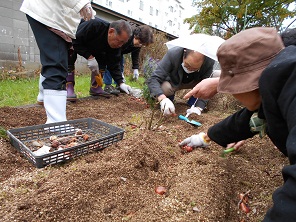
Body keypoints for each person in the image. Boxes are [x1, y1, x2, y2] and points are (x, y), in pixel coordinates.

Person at [180, 27, 296, 220]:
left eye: (232, 86)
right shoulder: (279, 84)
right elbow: (249, 120)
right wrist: (205, 137)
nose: (232, 93)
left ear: (250, 82)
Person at [20, 0, 95, 123]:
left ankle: (43, 96)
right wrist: (81, 2)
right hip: (48, 12)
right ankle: (56, 123)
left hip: (53, 14)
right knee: (57, 62)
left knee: (53, 59)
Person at [71, 17, 133, 98]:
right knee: (70, 54)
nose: (120, 45)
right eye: (120, 41)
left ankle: (96, 87)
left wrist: (121, 83)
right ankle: (68, 86)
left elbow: (114, 64)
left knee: (102, 59)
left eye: (123, 43)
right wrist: (89, 57)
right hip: (75, 37)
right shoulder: (95, 25)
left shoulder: (116, 46)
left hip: (96, 48)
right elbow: (74, 41)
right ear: (111, 32)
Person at [146, 46, 215, 115]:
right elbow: (154, 78)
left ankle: (193, 102)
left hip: (195, 82)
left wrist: (199, 107)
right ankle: (169, 100)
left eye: (195, 68)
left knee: (215, 80)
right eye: (187, 65)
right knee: (164, 88)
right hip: (173, 81)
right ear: (184, 54)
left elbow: (207, 87)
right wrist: (162, 99)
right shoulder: (173, 54)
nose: (190, 69)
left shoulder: (209, 61)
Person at [103, 25, 154, 95]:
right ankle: (108, 85)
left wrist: (135, 68)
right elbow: (115, 54)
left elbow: (135, 54)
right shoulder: (127, 36)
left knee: (121, 66)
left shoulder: (138, 44)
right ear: (136, 36)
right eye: (140, 42)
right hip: (112, 49)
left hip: (120, 52)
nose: (140, 45)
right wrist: (119, 72)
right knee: (110, 65)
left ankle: (119, 85)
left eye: (142, 44)